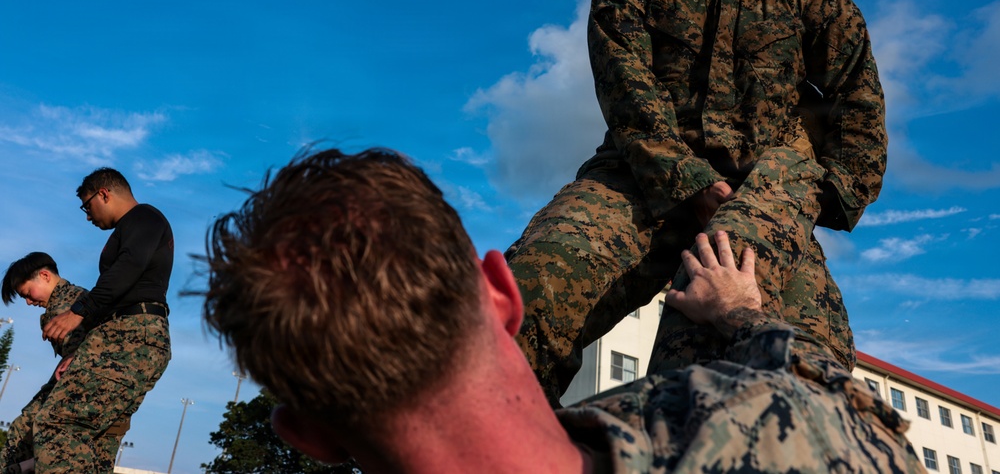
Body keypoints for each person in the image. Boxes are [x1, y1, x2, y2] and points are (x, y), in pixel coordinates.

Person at [200, 147, 921, 474]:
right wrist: (741, 318)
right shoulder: (775, 437)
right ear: (502, 293)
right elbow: (858, 416)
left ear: (306, 435)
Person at [505, 0, 887, 403]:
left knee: (799, 363)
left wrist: (820, 195)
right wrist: (691, 182)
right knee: (525, 299)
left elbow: (859, 104)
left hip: (765, 195)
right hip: (639, 182)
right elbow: (628, 96)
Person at [35, 168, 172, 474]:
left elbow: (129, 266)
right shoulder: (134, 227)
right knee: (96, 438)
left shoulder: (144, 217)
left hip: (133, 336)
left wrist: (79, 311)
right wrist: (83, 353)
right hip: (125, 337)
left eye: (87, 206)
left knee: (57, 423)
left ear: (104, 194)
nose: (88, 217)